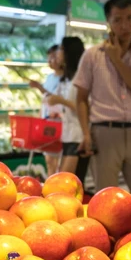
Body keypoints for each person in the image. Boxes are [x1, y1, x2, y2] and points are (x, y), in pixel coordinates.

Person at [74, 0, 131, 205]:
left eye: (130, 18)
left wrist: (117, 60)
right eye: (118, 20)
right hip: (104, 133)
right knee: (105, 201)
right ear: (108, 23)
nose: (125, 25)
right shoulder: (92, 56)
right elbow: (81, 98)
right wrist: (85, 133)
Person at [40, 37, 90, 182]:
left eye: (61, 49)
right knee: (64, 181)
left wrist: (61, 101)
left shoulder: (81, 78)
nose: (57, 54)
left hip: (78, 135)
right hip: (68, 134)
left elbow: (85, 108)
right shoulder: (65, 78)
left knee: (64, 182)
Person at [30, 44, 63, 176]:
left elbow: (56, 98)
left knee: (58, 161)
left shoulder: (67, 79)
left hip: (59, 124)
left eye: (54, 57)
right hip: (47, 123)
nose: (51, 61)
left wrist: (40, 87)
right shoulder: (50, 77)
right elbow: (45, 100)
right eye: (49, 58)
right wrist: (39, 118)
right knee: (49, 160)